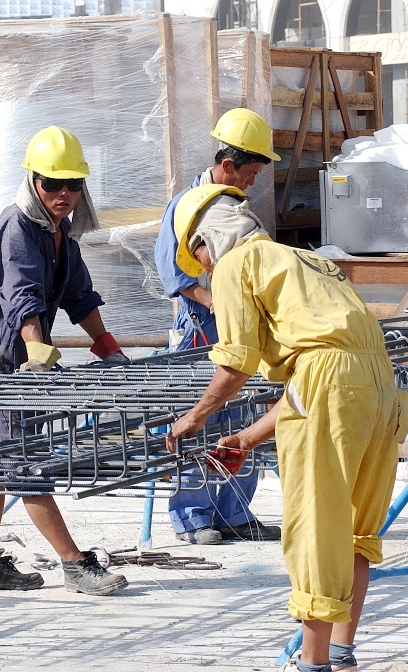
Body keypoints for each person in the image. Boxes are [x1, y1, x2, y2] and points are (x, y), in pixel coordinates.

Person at [165, 184, 408, 672]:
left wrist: (195, 418)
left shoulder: (237, 264)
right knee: (357, 529)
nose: (206, 272)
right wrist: (247, 437)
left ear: (206, 241)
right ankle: (340, 651)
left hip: (332, 384)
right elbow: (314, 381)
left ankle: (313, 663)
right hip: (382, 384)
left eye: (201, 260)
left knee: (317, 526)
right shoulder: (305, 260)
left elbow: (236, 364)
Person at [0, 125, 129, 596]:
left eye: (73, 184)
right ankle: (73, 563)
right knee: (22, 463)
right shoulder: (16, 227)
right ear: (33, 182)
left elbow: (79, 295)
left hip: (23, 358)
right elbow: (21, 298)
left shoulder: (59, 232)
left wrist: (107, 345)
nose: (64, 194)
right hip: (1, 360)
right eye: (53, 184)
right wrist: (36, 348)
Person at [153, 107, 283, 545]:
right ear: (228, 165)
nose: (253, 181)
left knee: (246, 413)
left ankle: (235, 512)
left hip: (240, 327)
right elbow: (177, 277)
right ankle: (192, 516)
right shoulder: (188, 208)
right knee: (199, 416)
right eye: (250, 172)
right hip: (203, 329)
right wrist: (224, 304)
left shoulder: (234, 205)